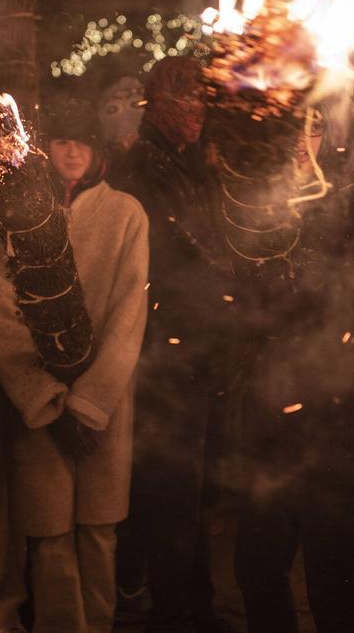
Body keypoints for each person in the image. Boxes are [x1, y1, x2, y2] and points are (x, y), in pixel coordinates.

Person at [0, 99, 147, 633]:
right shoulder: (16, 218)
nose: (71, 151)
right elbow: (1, 314)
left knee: (97, 531)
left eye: (82, 141)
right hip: (40, 409)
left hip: (105, 405)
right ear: (44, 149)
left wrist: (90, 403)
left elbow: (129, 313)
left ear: (98, 150)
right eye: (61, 141)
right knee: (47, 534)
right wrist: (44, 399)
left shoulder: (125, 215)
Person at [233, 101, 354, 633]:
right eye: (295, 125)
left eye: (315, 123)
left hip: (340, 424)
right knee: (257, 568)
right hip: (269, 419)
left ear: (336, 131)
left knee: (334, 581)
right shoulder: (268, 201)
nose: (302, 138)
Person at [112, 55, 239, 633]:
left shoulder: (199, 163)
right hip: (163, 354)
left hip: (201, 350)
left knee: (196, 495)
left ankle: (195, 604)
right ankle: (177, 612)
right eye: (183, 99)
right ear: (158, 102)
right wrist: (232, 284)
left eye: (201, 99)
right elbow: (177, 253)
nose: (195, 110)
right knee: (170, 496)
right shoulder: (141, 169)